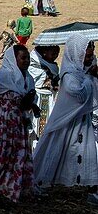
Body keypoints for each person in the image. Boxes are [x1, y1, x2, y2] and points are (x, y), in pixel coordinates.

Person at [0, 45, 38, 204]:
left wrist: (30, 106)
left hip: (17, 125)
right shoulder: (3, 75)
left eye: (27, 58)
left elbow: (25, 102)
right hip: (0, 123)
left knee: (15, 158)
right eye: (23, 58)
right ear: (13, 58)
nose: (26, 61)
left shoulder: (28, 78)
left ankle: (5, 192)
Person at [32, 37, 97, 191]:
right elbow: (78, 95)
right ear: (77, 55)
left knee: (81, 150)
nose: (89, 59)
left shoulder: (83, 72)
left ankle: (80, 181)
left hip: (82, 121)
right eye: (86, 57)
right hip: (67, 122)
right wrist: (90, 79)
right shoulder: (69, 74)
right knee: (62, 150)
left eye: (90, 56)